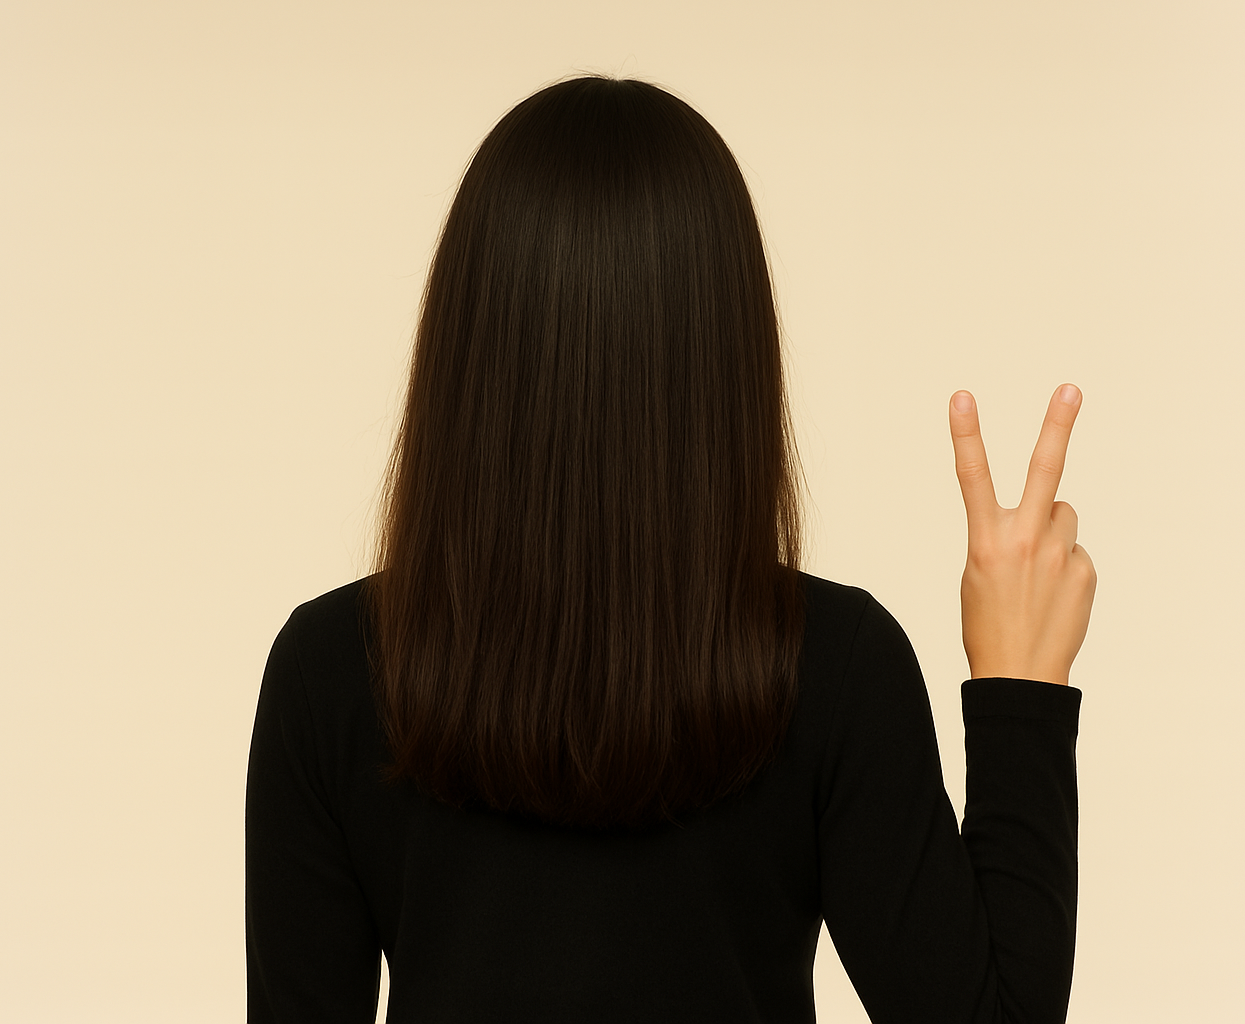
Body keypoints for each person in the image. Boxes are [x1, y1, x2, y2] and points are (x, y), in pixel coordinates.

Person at [245, 74, 1096, 1024]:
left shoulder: (327, 673)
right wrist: (1021, 684)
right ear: (731, 356)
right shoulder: (838, 665)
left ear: (467, 351)